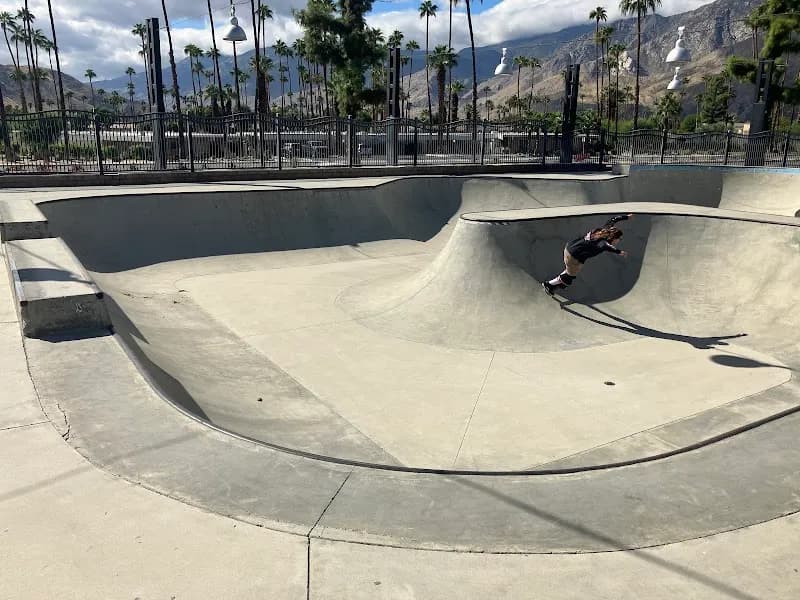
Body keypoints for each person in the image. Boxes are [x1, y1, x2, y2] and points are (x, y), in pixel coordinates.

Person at [542, 213, 633, 296]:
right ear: (614, 238)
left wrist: (627, 217)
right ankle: (549, 285)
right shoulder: (603, 243)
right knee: (569, 278)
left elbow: (614, 219)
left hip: (570, 247)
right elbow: (608, 246)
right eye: (619, 239)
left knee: (570, 271)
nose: (619, 241)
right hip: (573, 257)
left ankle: (553, 283)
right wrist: (619, 252)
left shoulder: (606, 229)